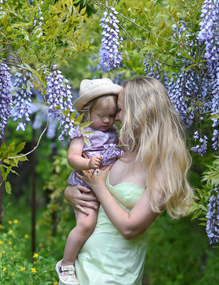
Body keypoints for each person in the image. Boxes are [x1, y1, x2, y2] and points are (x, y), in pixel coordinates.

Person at [62, 76, 194, 285]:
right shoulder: (121, 148)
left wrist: (99, 187)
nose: (115, 118)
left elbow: (130, 228)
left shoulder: (162, 167)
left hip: (115, 275)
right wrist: (70, 193)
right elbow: (87, 180)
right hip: (81, 266)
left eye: (120, 110)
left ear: (139, 112)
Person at [56, 78, 123, 285]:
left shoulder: (113, 132)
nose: (106, 121)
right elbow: (72, 158)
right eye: (101, 116)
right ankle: (67, 264)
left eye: (111, 116)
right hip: (86, 185)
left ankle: (90, 265)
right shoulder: (82, 132)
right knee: (86, 225)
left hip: (106, 185)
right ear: (87, 114)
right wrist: (88, 163)